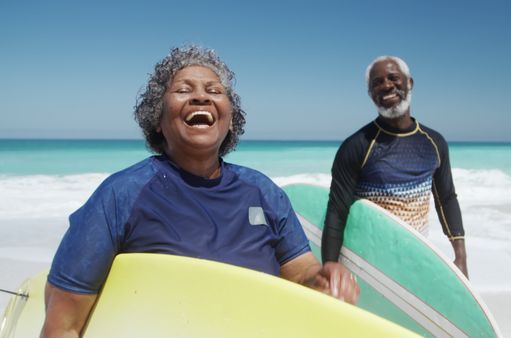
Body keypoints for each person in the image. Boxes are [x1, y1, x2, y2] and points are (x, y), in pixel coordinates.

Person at [41, 46, 359, 338]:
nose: (201, 98)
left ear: (230, 119)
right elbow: (63, 324)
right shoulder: (122, 194)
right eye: (183, 90)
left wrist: (321, 280)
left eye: (214, 91)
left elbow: (300, 270)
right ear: (157, 120)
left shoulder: (263, 192)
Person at [321, 56, 468, 278]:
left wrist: (460, 256)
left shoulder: (434, 143)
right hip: (369, 262)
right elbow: (337, 210)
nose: (386, 85)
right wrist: (330, 264)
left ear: (410, 83)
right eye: (377, 82)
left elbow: (446, 198)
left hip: (416, 256)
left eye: (393, 78)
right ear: (371, 94)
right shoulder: (357, 145)